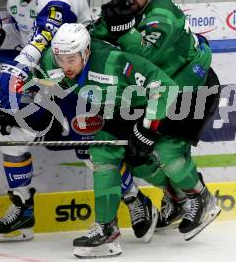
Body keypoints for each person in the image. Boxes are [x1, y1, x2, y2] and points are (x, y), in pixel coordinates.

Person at [0, 0, 156, 243]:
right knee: (12, 133)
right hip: (48, 85)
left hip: (82, 84)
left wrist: (15, 70)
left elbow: (42, 36)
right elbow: (22, 26)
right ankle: (23, 209)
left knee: (90, 150)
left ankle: (136, 200)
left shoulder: (59, 0)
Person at [35, 23, 218, 258]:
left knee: (164, 150)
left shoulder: (113, 61)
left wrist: (147, 128)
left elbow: (164, 87)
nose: (66, 66)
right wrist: (21, 113)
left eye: (72, 59)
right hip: (123, 106)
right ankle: (106, 230)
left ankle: (199, 196)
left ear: (87, 52)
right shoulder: (53, 61)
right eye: (61, 59)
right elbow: (35, 84)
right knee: (102, 153)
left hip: (176, 98)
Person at [91, 0, 221, 233]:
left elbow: (146, 53)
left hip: (191, 89)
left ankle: (201, 198)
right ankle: (175, 198)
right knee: (135, 152)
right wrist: (104, 23)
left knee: (167, 150)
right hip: (157, 92)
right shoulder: (131, 5)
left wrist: (121, 28)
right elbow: (97, 36)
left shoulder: (163, 16)